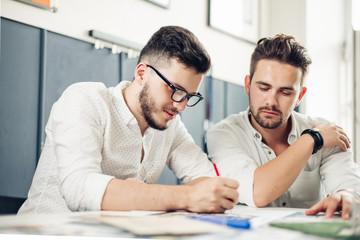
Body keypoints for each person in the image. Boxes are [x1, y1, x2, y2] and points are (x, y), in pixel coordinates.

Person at [18, 26, 239, 214]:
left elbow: (208, 182)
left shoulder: (170, 125)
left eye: (189, 96)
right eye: (175, 89)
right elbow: (79, 189)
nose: (180, 105)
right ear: (142, 73)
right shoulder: (85, 99)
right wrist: (185, 196)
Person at [206, 34, 360, 219]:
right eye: (263, 88)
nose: (271, 101)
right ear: (247, 86)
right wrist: (312, 140)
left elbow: (350, 186)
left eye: (285, 92)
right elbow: (258, 192)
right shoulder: (222, 135)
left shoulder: (327, 131)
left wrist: (347, 196)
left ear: (299, 97)